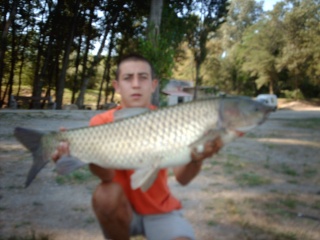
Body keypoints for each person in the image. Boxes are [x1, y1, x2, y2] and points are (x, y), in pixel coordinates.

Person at [52, 54, 223, 240]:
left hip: (160, 210)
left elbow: (182, 179)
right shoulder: (101, 122)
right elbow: (107, 176)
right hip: (121, 209)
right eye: (127, 78)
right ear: (117, 86)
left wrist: (198, 158)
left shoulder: (171, 119)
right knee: (105, 194)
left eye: (143, 77)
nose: (135, 84)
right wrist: (75, 154)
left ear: (153, 84)